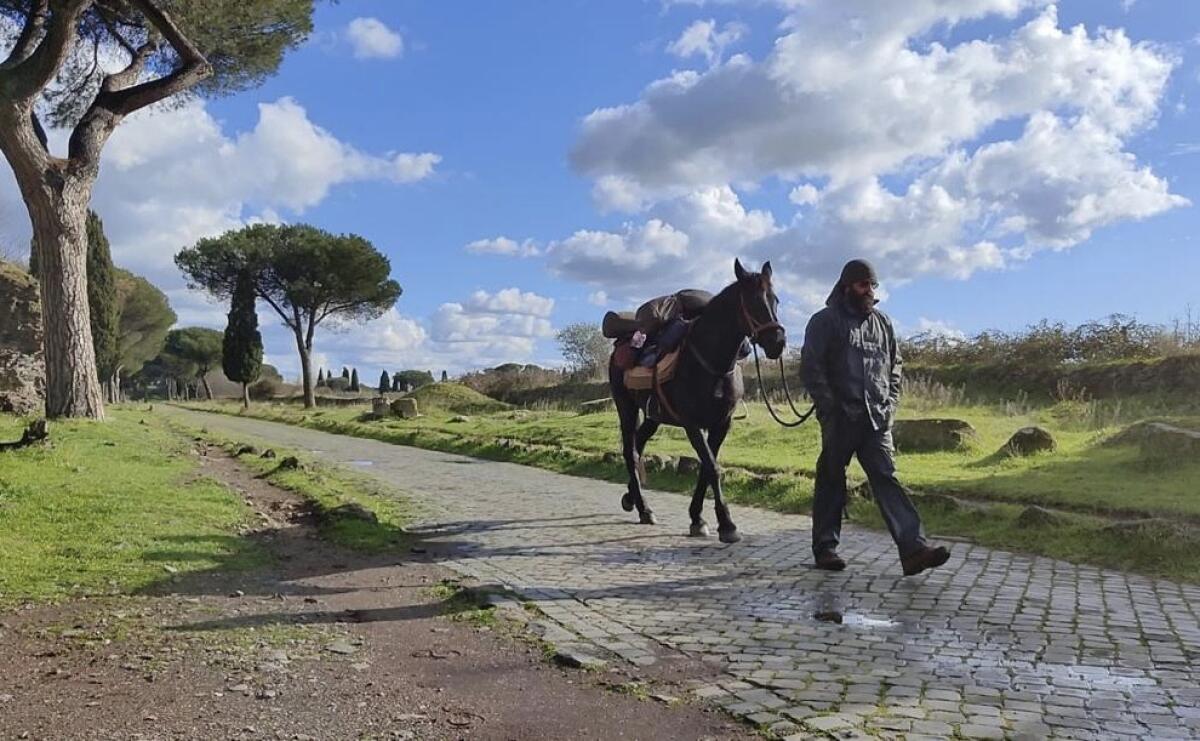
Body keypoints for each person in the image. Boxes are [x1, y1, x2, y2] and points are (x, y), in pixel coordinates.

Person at [800, 259, 950, 576]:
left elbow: (895, 366)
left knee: (887, 478)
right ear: (847, 286)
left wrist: (890, 403)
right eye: (862, 284)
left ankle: (914, 550)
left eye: (872, 285)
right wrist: (830, 407)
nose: (869, 290)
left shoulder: (883, 323)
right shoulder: (824, 322)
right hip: (841, 417)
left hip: (876, 420)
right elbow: (812, 369)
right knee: (831, 479)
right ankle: (825, 548)